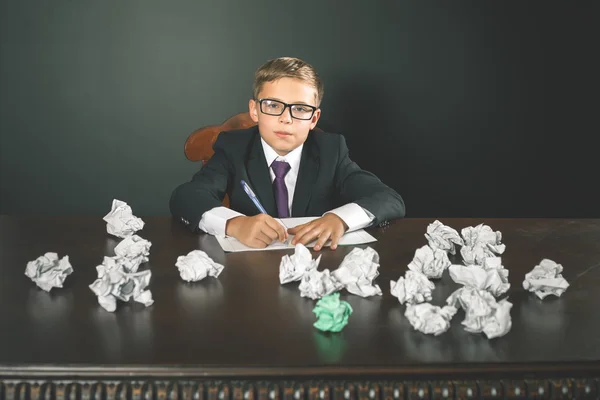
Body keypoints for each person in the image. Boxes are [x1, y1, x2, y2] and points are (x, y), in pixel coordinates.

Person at [170, 57, 405, 250]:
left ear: (313, 119)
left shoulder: (330, 150)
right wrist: (234, 223)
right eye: (273, 105)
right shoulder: (234, 147)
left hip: (315, 264)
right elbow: (186, 196)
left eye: (300, 109)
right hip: (251, 267)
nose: (286, 118)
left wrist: (339, 219)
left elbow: (388, 199)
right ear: (255, 110)